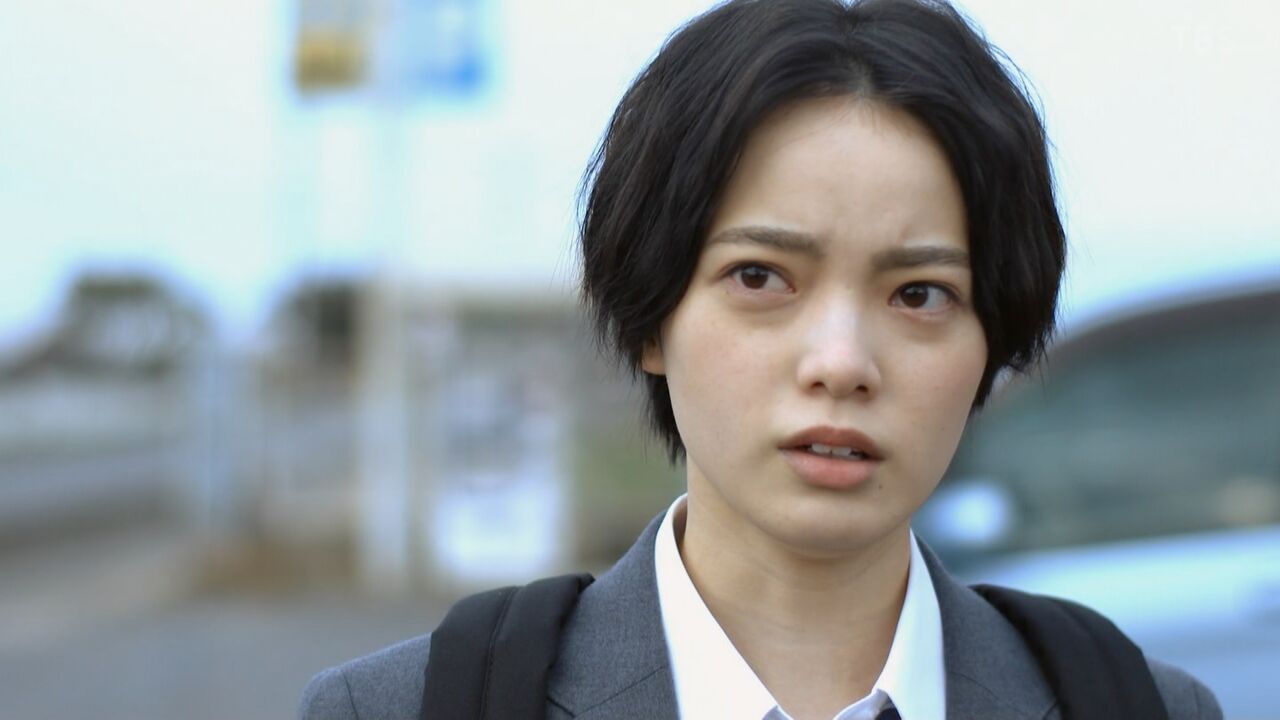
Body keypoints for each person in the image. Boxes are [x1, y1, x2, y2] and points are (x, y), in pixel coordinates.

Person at [299, 0, 1222, 718]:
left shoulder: (1143, 708)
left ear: (994, 338)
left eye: (919, 294)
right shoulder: (396, 710)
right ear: (653, 316)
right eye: (760, 276)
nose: (841, 362)